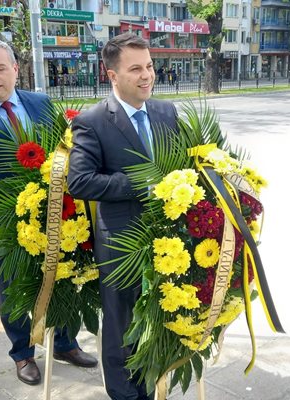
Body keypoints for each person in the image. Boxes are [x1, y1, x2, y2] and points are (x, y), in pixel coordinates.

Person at [0, 39, 97, 386]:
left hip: (53, 215)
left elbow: (65, 154)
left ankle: (65, 344)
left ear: (14, 68)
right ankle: (23, 354)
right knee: (12, 293)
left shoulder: (40, 103)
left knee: (63, 280)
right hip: (2, 229)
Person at [67, 33, 178, 400]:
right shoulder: (92, 121)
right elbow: (79, 181)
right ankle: (124, 394)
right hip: (120, 242)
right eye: (135, 69)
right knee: (119, 324)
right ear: (112, 75)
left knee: (160, 315)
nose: (146, 75)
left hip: (168, 237)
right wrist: (141, 185)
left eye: (149, 66)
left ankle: (153, 383)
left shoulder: (166, 111)